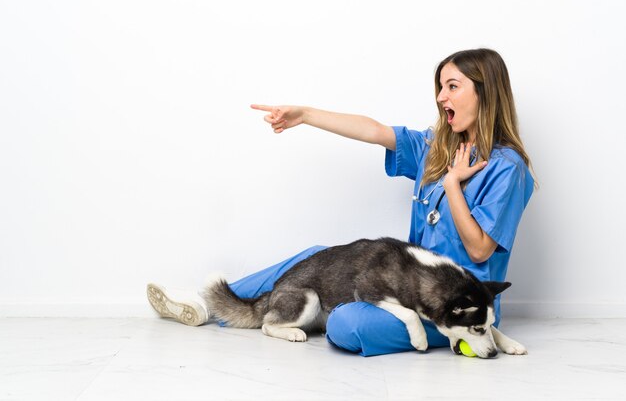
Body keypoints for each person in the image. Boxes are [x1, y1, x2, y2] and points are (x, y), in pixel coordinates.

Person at [146, 48, 535, 356]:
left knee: (347, 326)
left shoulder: (508, 168)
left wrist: (453, 185)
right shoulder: (437, 147)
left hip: (455, 309)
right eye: (439, 87)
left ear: (484, 91)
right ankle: (204, 305)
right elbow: (374, 130)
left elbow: (480, 248)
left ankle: (312, 313)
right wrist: (306, 114)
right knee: (319, 257)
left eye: (452, 86)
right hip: (406, 285)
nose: (440, 96)